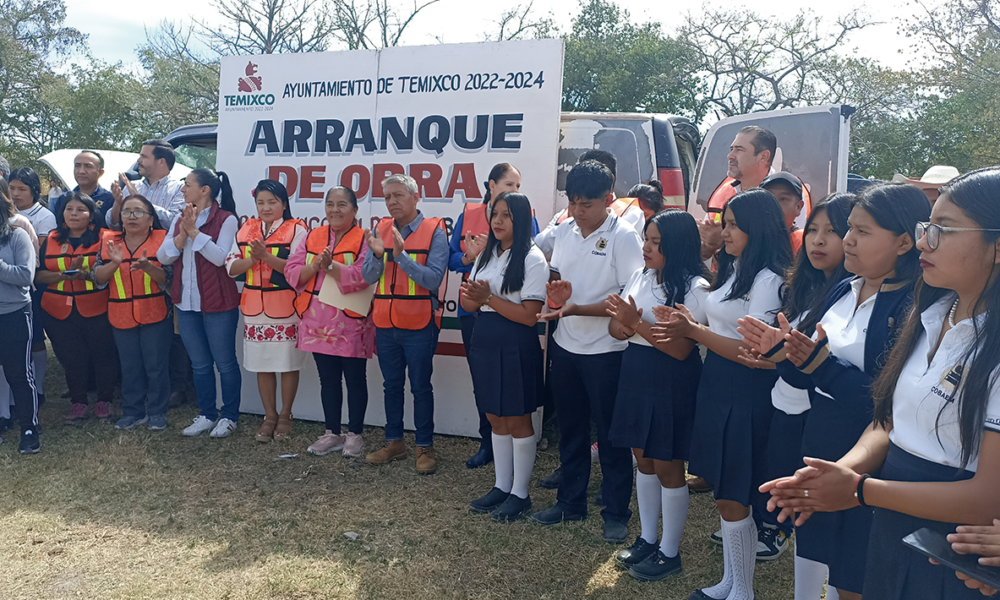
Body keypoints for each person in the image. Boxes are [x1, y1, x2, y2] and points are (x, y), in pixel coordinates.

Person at [759, 167, 1000, 599]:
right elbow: (886, 422)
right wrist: (838, 473)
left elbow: (985, 496)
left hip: (956, 543)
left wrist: (858, 489)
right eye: (928, 226)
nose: (925, 241)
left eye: (943, 229)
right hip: (892, 521)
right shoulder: (928, 315)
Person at [742, 183, 929, 600]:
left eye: (861, 232)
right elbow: (812, 365)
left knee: (853, 575)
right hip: (820, 434)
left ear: (903, 242)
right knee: (812, 545)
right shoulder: (846, 289)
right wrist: (784, 352)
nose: (848, 240)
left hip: (870, 454)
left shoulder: (914, 308)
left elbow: (895, 402)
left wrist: (821, 367)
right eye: (852, 229)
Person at [654, 188, 791, 600]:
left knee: (735, 493)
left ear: (758, 228)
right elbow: (721, 328)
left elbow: (753, 353)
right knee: (724, 493)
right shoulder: (733, 271)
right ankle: (732, 582)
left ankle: (743, 590)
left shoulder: (771, 280)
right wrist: (690, 321)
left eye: (733, 225)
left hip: (746, 392)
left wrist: (693, 331)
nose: (723, 232)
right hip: (716, 385)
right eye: (724, 223)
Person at [737, 194, 852, 590]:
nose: (818, 241)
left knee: (820, 521)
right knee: (802, 513)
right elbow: (795, 356)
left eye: (832, 232)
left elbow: (819, 363)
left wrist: (781, 354)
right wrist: (773, 354)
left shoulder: (849, 295)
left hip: (817, 417)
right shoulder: (804, 287)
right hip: (785, 404)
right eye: (814, 230)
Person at [529, 160, 644, 543]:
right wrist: (557, 295)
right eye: (573, 202)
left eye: (587, 204)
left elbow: (631, 297)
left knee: (612, 437)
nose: (578, 211)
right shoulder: (564, 231)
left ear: (608, 200)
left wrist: (576, 308)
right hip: (565, 345)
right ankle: (570, 502)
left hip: (607, 350)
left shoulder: (625, 236)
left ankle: (615, 511)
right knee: (572, 430)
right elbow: (560, 280)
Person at [605, 210, 711, 580]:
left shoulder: (696, 288)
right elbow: (616, 324)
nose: (647, 248)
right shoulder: (640, 275)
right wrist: (623, 326)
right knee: (643, 459)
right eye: (647, 239)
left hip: (670, 379)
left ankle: (670, 551)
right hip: (635, 372)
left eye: (656, 242)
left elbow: (681, 350)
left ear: (677, 246)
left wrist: (634, 324)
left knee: (667, 465)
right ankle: (648, 538)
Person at [461, 192, 547, 521]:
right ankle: (501, 485)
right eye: (494, 214)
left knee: (517, 419)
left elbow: (529, 316)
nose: (497, 221)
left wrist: (488, 298)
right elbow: (469, 303)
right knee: (496, 416)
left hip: (515, 342)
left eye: (506, 215)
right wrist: (474, 298)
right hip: (485, 338)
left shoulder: (533, 258)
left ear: (521, 219)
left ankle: (520, 493)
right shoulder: (486, 255)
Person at [361, 174, 449, 474]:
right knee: (391, 386)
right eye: (387, 197)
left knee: (421, 388)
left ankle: (424, 446)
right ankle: (394, 441)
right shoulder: (379, 229)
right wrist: (376, 254)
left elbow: (434, 278)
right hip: (385, 323)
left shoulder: (435, 230)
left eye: (398, 195)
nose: (392, 202)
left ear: (415, 197)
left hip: (420, 324)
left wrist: (401, 258)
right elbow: (368, 277)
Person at [286, 186, 375, 458]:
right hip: (317, 322)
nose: (335, 210)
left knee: (355, 379)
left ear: (355, 210)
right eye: (330, 204)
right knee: (328, 380)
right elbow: (291, 270)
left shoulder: (364, 238)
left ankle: (355, 434)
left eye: (342, 205)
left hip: (351, 322)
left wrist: (331, 267)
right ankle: (332, 433)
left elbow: (365, 275)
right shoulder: (313, 236)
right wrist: (314, 267)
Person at [157, 169, 242, 439]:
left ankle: (229, 416)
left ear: (204, 190)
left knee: (225, 363)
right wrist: (183, 234)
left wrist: (194, 232)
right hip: (186, 303)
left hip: (219, 302)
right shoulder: (181, 219)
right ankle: (206, 413)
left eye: (188, 185)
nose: (183, 190)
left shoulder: (227, 219)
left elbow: (220, 258)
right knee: (199, 364)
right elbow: (164, 256)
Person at [449, 162, 523, 470]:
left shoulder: (524, 216)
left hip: (508, 313)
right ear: (491, 185)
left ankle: (512, 442)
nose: (514, 192)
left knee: (508, 383)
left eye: (518, 187)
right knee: (482, 379)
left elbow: (528, 252)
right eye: (508, 185)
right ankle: (487, 441)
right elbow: (453, 259)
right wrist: (470, 256)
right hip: (473, 311)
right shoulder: (468, 214)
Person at [226, 180, 308, 442]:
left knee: (287, 363)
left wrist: (266, 257)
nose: (266, 207)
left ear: (284, 204)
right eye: (261, 202)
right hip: (254, 308)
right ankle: (269, 415)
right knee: (263, 363)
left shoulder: (297, 230)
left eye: (272, 202)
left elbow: (297, 269)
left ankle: (285, 414)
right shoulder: (246, 229)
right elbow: (231, 267)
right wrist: (253, 258)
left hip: (285, 307)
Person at [35, 192, 117, 424]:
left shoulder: (105, 237)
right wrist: (62, 275)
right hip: (57, 310)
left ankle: (105, 400)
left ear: (91, 215)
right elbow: (38, 275)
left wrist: (86, 275)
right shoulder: (51, 238)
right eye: (69, 209)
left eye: (80, 209)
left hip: (96, 307)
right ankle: (78, 403)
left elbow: (110, 270)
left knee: (103, 355)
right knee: (72, 358)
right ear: (62, 214)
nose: (74, 214)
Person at [94, 195, 173, 431]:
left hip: (155, 313)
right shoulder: (109, 242)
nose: (131, 216)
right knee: (129, 366)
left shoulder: (162, 242)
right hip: (120, 314)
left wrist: (149, 267)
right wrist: (114, 264)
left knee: (156, 365)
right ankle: (133, 411)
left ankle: (158, 411)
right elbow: (97, 277)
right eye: (127, 212)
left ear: (151, 220)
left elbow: (167, 279)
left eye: (138, 212)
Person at [6, 169, 52, 408]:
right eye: (12, 188)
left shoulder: (42, 216)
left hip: (34, 283)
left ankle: (39, 385)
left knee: (33, 336)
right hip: (8, 283)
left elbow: (39, 256)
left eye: (22, 189)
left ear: (34, 190)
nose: (15, 194)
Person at [698, 125, 777, 264]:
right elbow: (703, 252)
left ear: (763, 157)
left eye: (739, 150)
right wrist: (709, 244)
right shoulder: (723, 192)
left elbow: (785, 248)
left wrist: (722, 240)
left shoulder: (785, 194)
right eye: (731, 149)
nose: (730, 156)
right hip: (724, 281)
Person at [0, 191, 40, 453]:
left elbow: (26, 276)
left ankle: (29, 428)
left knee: (19, 375)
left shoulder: (17, 235)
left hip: (13, 313)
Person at [52, 151, 116, 224]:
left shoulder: (110, 200)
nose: (81, 171)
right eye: (77, 165)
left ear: (100, 172)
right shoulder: (64, 198)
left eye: (88, 166)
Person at [760, 172, 808, 255]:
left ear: (798, 207)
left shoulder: (805, 245)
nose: (774, 204)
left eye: (783, 199)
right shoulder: (746, 238)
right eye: (768, 197)